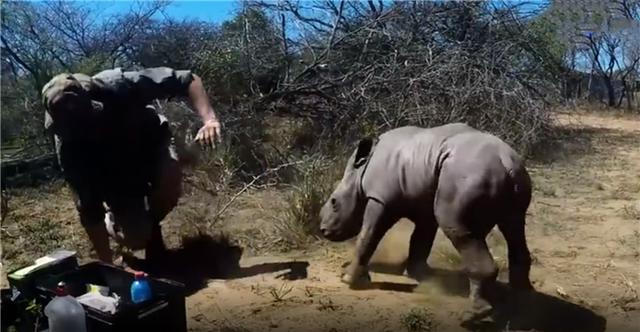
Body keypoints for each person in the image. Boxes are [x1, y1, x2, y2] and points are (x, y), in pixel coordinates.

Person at [41, 67, 222, 266]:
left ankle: (155, 215)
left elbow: (188, 79)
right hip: (115, 174)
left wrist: (209, 119)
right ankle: (136, 227)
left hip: (151, 143)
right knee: (135, 238)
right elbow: (89, 210)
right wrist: (107, 266)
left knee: (170, 177)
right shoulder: (68, 149)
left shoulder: (118, 85)